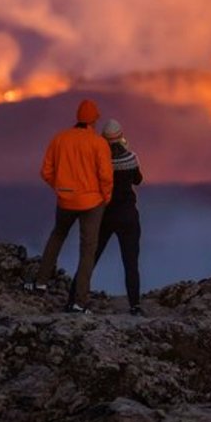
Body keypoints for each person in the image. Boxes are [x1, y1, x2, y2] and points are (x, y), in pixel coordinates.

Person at [26, 98, 113, 313]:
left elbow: (46, 171)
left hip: (65, 200)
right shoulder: (98, 143)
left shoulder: (60, 139)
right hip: (92, 202)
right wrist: (106, 197)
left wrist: (61, 187)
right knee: (87, 251)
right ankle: (79, 302)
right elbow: (105, 175)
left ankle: (41, 282)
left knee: (57, 236)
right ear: (93, 120)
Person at [69, 118, 145, 315]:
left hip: (104, 215)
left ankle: (73, 299)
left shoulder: (98, 160)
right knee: (131, 262)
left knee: (90, 258)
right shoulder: (129, 158)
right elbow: (138, 179)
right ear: (120, 137)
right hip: (128, 216)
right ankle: (135, 306)